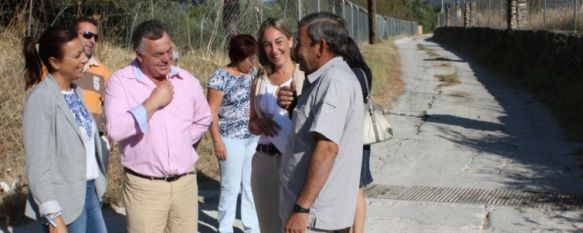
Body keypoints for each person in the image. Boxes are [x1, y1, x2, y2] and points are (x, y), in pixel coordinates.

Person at [104, 19, 211, 233]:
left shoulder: (187, 80)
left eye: (169, 51)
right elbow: (115, 129)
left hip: (185, 184)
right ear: (139, 54)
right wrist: (152, 103)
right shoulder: (121, 82)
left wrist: (181, 143)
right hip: (145, 188)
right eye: (158, 55)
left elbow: (204, 118)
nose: (167, 59)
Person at [278, 12, 364, 233]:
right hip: (313, 215)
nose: (296, 50)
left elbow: (327, 149)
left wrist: (302, 209)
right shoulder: (322, 79)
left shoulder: (334, 83)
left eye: (301, 43)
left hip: (315, 218)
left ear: (321, 47)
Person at [22, 25, 109, 233]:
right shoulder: (41, 99)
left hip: (88, 192)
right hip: (63, 202)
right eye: (77, 55)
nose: (84, 59)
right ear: (55, 62)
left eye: (83, 53)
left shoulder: (76, 91)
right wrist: (52, 214)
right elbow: (37, 165)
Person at [248, 18, 304, 233]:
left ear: (291, 41)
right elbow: (251, 123)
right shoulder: (260, 79)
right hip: (265, 162)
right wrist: (258, 124)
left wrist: (295, 105)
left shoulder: (305, 76)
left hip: (297, 162)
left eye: (279, 41)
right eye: (267, 44)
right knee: (269, 228)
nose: (274, 49)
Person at [207, 34, 260, 233]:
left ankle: (251, 226)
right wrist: (217, 141)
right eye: (249, 58)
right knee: (230, 187)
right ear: (237, 57)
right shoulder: (219, 78)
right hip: (230, 140)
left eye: (254, 57)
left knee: (250, 185)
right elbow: (211, 111)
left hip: (252, 138)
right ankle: (225, 228)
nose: (252, 62)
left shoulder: (253, 73)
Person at [342, 37, 374, 233]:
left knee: (355, 190)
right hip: (360, 137)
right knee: (357, 189)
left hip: (356, 138)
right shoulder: (363, 72)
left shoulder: (353, 75)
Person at [71, 18, 111, 136]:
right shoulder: (60, 67)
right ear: (73, 36)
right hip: (67, 138)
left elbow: (109, 106)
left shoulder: (102, 71)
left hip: (95, 138)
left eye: (95, 37)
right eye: (88, 35)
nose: (92, 41)